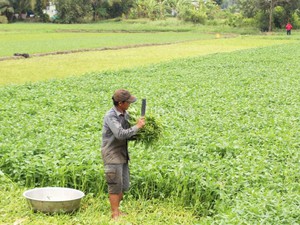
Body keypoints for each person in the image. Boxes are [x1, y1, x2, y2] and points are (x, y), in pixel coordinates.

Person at [101, 89, 145, 220]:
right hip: (112, 154)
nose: (130, 104)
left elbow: (128, 134)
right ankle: (114, 214)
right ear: (120, 103)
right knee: (114, 185)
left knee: (123, 185)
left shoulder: (125, 114)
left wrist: (141, 133)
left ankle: (118, 211)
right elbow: (120, 134)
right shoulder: (111, 116)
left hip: (122, 154)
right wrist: (137, 126)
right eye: (128, 102)